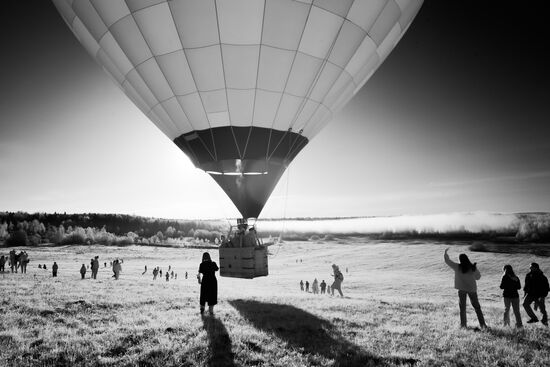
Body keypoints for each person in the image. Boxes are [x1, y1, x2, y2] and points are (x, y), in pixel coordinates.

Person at [444, 248, 486, 329]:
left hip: (462, 290)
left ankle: (463, 326)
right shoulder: (472, 267)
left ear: (460, 260)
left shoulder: (457, 267)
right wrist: (475, 270)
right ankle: (483, 325)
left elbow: (448, 261)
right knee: (477, 308)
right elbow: (478, 277)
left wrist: (445, 253)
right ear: (467, 259)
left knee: (462, 308)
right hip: (472, 290)